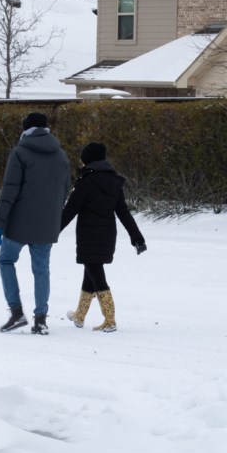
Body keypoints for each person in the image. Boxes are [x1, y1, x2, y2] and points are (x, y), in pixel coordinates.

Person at [0, 112, 70, 335]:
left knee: (6, 260)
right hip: (47, 224)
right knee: (41, 269)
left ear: (25, 129)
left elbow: (9, 191)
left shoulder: (20, 153)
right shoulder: (61, 155)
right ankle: (41, 319)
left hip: (18, 223)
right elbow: (63, 191)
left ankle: (16, 313)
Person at [60, 142, 146, 333]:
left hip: (88, 236)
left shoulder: (85, 182)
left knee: (96, 275)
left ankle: (110, 319)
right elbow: (123, 213)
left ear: (89, 160)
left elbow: (69, 211)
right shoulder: (114, 182)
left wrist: (50, 232)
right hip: (107, 235)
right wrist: (137, 237)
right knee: (90, 273)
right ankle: (79, 316)